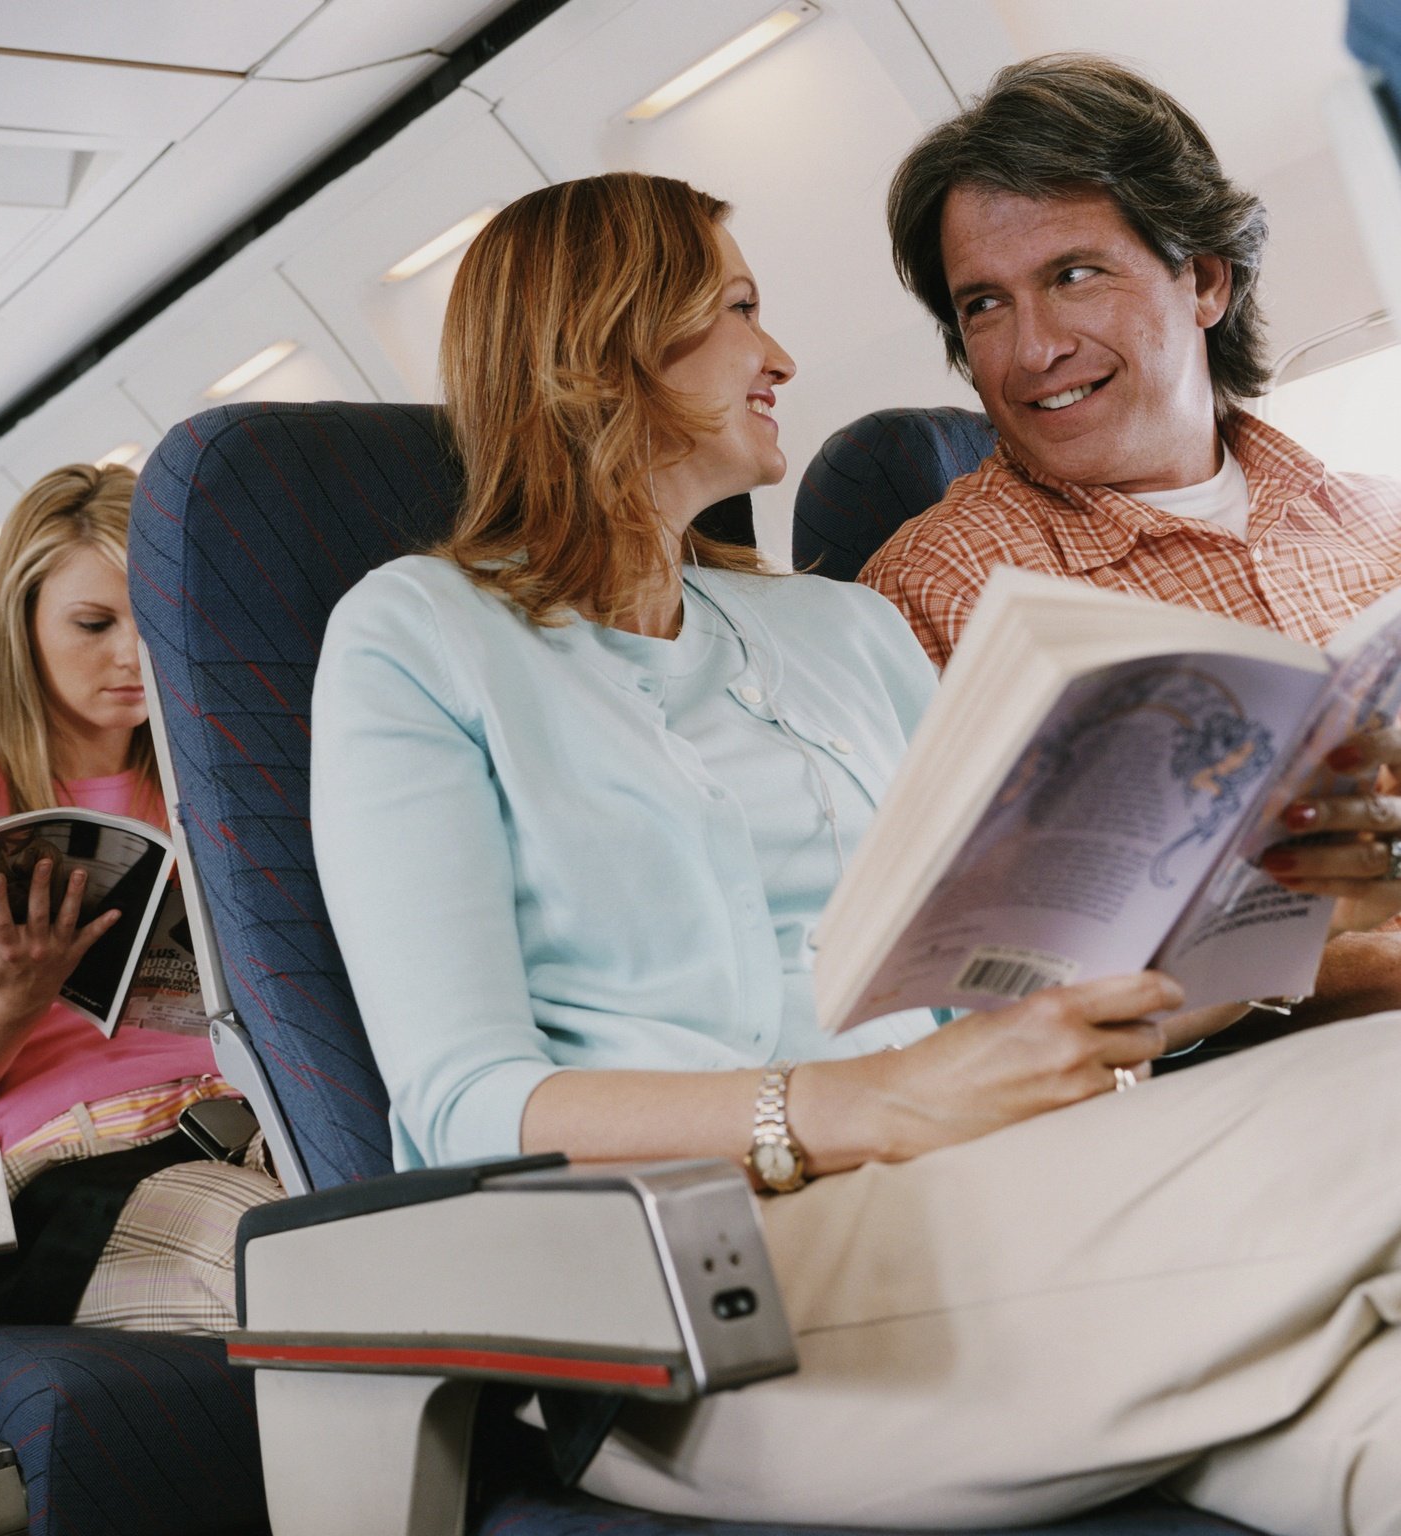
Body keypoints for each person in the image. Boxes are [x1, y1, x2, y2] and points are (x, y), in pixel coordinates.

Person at [310, 171, 1401, 1531]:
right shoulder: (415, 637)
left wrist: (1287, 904)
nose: (777, 357)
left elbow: (1023, 1004)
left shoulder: (842, 634)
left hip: (1028, 1210)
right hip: (705, 1295)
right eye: (734, 313)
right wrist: (865, 1105)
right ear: (605, 345)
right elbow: (467, 1104)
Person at [854, 53, 1401, 1026]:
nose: (1032, 350)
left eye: (1072, 276)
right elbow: (985, 989)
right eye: (984, 304)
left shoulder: (1373, 520)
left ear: (1203, 280)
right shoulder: (936, 590)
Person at [0, 462, 280, 1336]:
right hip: (86, 1162)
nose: (131, 655)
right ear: (21, 627)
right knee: (295, 1266)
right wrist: (18, 1002)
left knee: (420, 1231)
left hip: (255, 1114)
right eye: (92, 624)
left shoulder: (205, 776)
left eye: (149, 621)